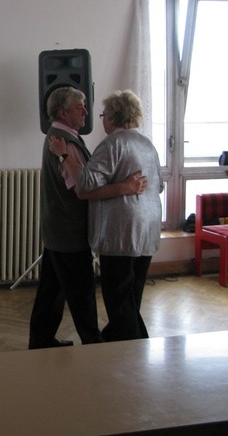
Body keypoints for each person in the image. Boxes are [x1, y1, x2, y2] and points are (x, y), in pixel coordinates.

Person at [29, 86, 146, 350]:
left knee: (51, 291)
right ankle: (93, 344)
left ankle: (41, 341)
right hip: (70, 233)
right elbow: (85, 190)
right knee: (81, 292)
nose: (85, 111)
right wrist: (125, 188)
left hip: (57, 230)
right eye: (79, 106)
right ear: (63, 112)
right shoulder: (66, 143)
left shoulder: (58, 136)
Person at [50, 89, 163, 342]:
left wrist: (64, 156)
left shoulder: (112, 144)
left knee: (118, 298)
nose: (100, 119)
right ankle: (116, 339)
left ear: (112, 116)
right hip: (148, 231)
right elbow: (160, 186)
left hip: (120, 233)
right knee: (131, 296)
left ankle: (135, 349)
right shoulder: (147, 144)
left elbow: (85, 183)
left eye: (103, 115)